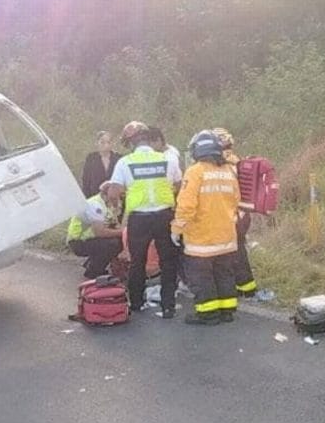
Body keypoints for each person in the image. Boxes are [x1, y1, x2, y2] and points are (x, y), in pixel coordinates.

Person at [110, 121, 181, 318]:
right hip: (164, 216)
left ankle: (137, 303)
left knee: (137, 261)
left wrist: (124, 195)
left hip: (139, 219)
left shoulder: (125, 162)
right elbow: (178, 185)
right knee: (168, 261)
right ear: (149, 138)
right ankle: (169, 306)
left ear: (131, 143)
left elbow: (114, 192)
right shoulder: (168, 159)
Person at [172, 130, 241, 325]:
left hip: (201, 239)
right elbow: (236, 200)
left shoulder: (195, 172)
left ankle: (208, 313)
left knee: (202, 278)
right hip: (226, 236)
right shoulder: (228, 171)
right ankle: (227, 311)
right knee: (224, 274)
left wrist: (176, 229)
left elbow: (186, 205)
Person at [212, 128, 267, 301]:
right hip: (241, 213)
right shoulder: (236, 160)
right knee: (239, 249)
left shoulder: (223, 163)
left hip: (232, 214)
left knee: (233, 251)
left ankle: (244, 287)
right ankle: (244, 286)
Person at [66, 181, 125, 278]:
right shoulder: (95, 205)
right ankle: (94, 271)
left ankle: (92, 262)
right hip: (78, 241)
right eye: (120, 195)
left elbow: (113, 225)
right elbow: (99, 232)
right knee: (113, 244)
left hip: (88, 238)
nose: (121, 198)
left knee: (118, 240)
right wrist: (123, 232)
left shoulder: (106, 204)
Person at [80, 130, 121, 197]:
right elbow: (86, 181)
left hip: (115, 198)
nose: (106, 145)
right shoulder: (91, 158)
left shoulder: (118, 158)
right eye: (102, 142)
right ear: (97, 143)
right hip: (95, 196)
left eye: (109, 142)